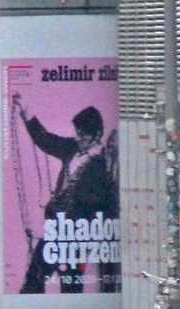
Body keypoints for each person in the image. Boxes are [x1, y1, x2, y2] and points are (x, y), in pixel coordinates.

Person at [16, 99, 120, 294]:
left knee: (70, 283)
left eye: (83, 134)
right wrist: (26, 112)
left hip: (78, 234)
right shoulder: (71, 148)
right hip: (58, 228)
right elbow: (46, 140)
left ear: (97, 135)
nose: (78, 138)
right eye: (77, 132)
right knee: (36, 276)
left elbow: (103, 205)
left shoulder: (103, 165)